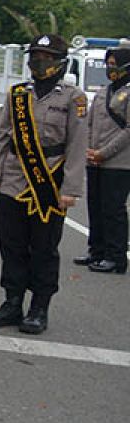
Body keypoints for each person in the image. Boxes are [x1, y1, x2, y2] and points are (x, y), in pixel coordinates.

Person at [0, 34, 87, 334]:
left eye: (46, 56)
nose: (39, 62)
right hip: (12, 181)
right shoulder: (17, 94)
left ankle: (39, 308)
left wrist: (70, 190)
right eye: (35, 56)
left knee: (43, 248)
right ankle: (12, 302)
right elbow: (2, 137)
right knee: (10, 245)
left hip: (49, 184)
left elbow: (78, 145)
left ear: (60, 61)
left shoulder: (73, 97)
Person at [74, 47, 130, 274]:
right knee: (95, 206)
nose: (110, 68)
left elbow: (128, 131)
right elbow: (89, 123)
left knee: (113, 209)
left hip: (119, 163)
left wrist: (103, 152)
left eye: (115, 64)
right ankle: (96, 251)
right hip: (94, 160)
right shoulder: (102, 92)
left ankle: (115, 257)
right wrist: (87, 150)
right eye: (108, 64)